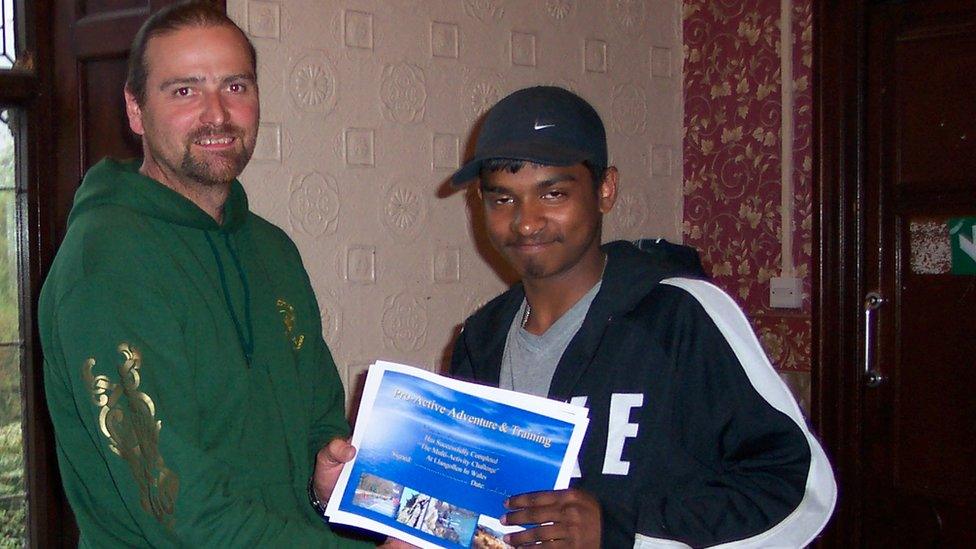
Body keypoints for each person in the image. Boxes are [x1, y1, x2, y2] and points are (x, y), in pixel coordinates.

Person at [38, 2, 396, 546]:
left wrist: (325, 483)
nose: (217, 114)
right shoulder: (105, 262)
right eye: (184, 90)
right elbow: (175, 503)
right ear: (135, 110)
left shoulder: (272, 251)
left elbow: (320, 418)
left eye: (235, 86)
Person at [449, 86, 837, 548]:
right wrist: (353, 486)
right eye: (503, 200)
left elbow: (801, 493)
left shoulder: (683, 315)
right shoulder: (481, 338)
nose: (527, 222)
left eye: (552, 194)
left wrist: (622, 530)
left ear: (605, 189)